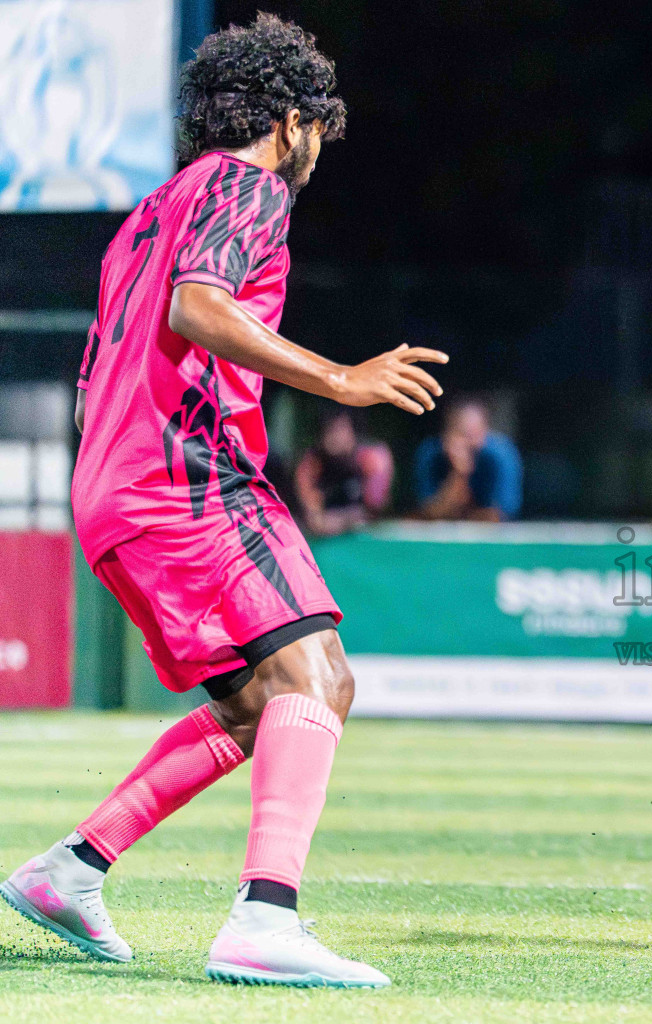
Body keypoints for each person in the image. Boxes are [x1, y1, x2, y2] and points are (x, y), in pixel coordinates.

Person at [3, 15, 448, 988]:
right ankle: (265, 918)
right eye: (318, 131)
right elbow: (197, 307)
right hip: (184, 476)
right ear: (291, 122)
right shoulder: (250, 184)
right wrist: (339, 379)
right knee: (319, 677)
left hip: (117, 485)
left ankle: (68, 870)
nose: (316, 151)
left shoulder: (156, 205)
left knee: (260, 704)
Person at [414, 399, 522, 522]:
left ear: (485, 432)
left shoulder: (501, 455)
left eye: (473, 435)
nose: (466, 444)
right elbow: (430, 513)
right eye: (460, 434)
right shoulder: (431, 454)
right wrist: (459, 474)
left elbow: (500, 516)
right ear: (446, 434)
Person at [293, 408, 395, 537]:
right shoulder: (312, 462)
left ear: (353, 431)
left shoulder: (372, 457)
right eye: (329, 430)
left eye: (339, 429)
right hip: (322, 539)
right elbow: (313, 515)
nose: (334, 436)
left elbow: (375, 508)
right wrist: (320, 519)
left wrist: (343, 520)